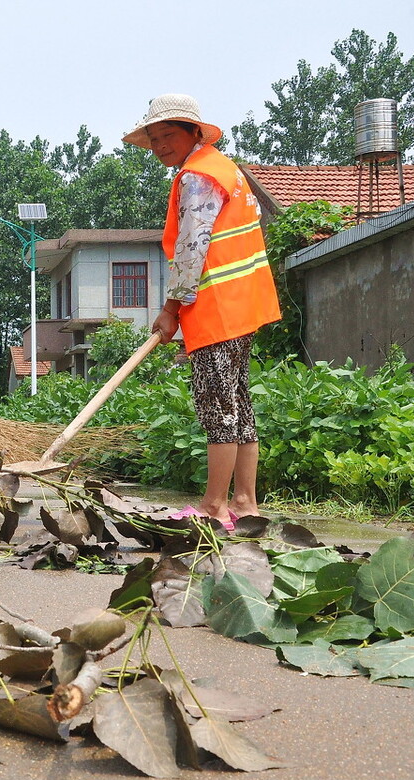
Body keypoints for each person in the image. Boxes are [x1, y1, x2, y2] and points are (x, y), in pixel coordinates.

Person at [122, 94, 281, 531]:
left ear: (195, 132)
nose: (158, 145)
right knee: (237, 403)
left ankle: (215, 507)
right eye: (153, 138)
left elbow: (192, 251)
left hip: (218, 308)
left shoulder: (197, 177)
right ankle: (245, 504)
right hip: (244, 303)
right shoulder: (226, 169)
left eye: (167, 135)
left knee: (218, 404)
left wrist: (171, 309)